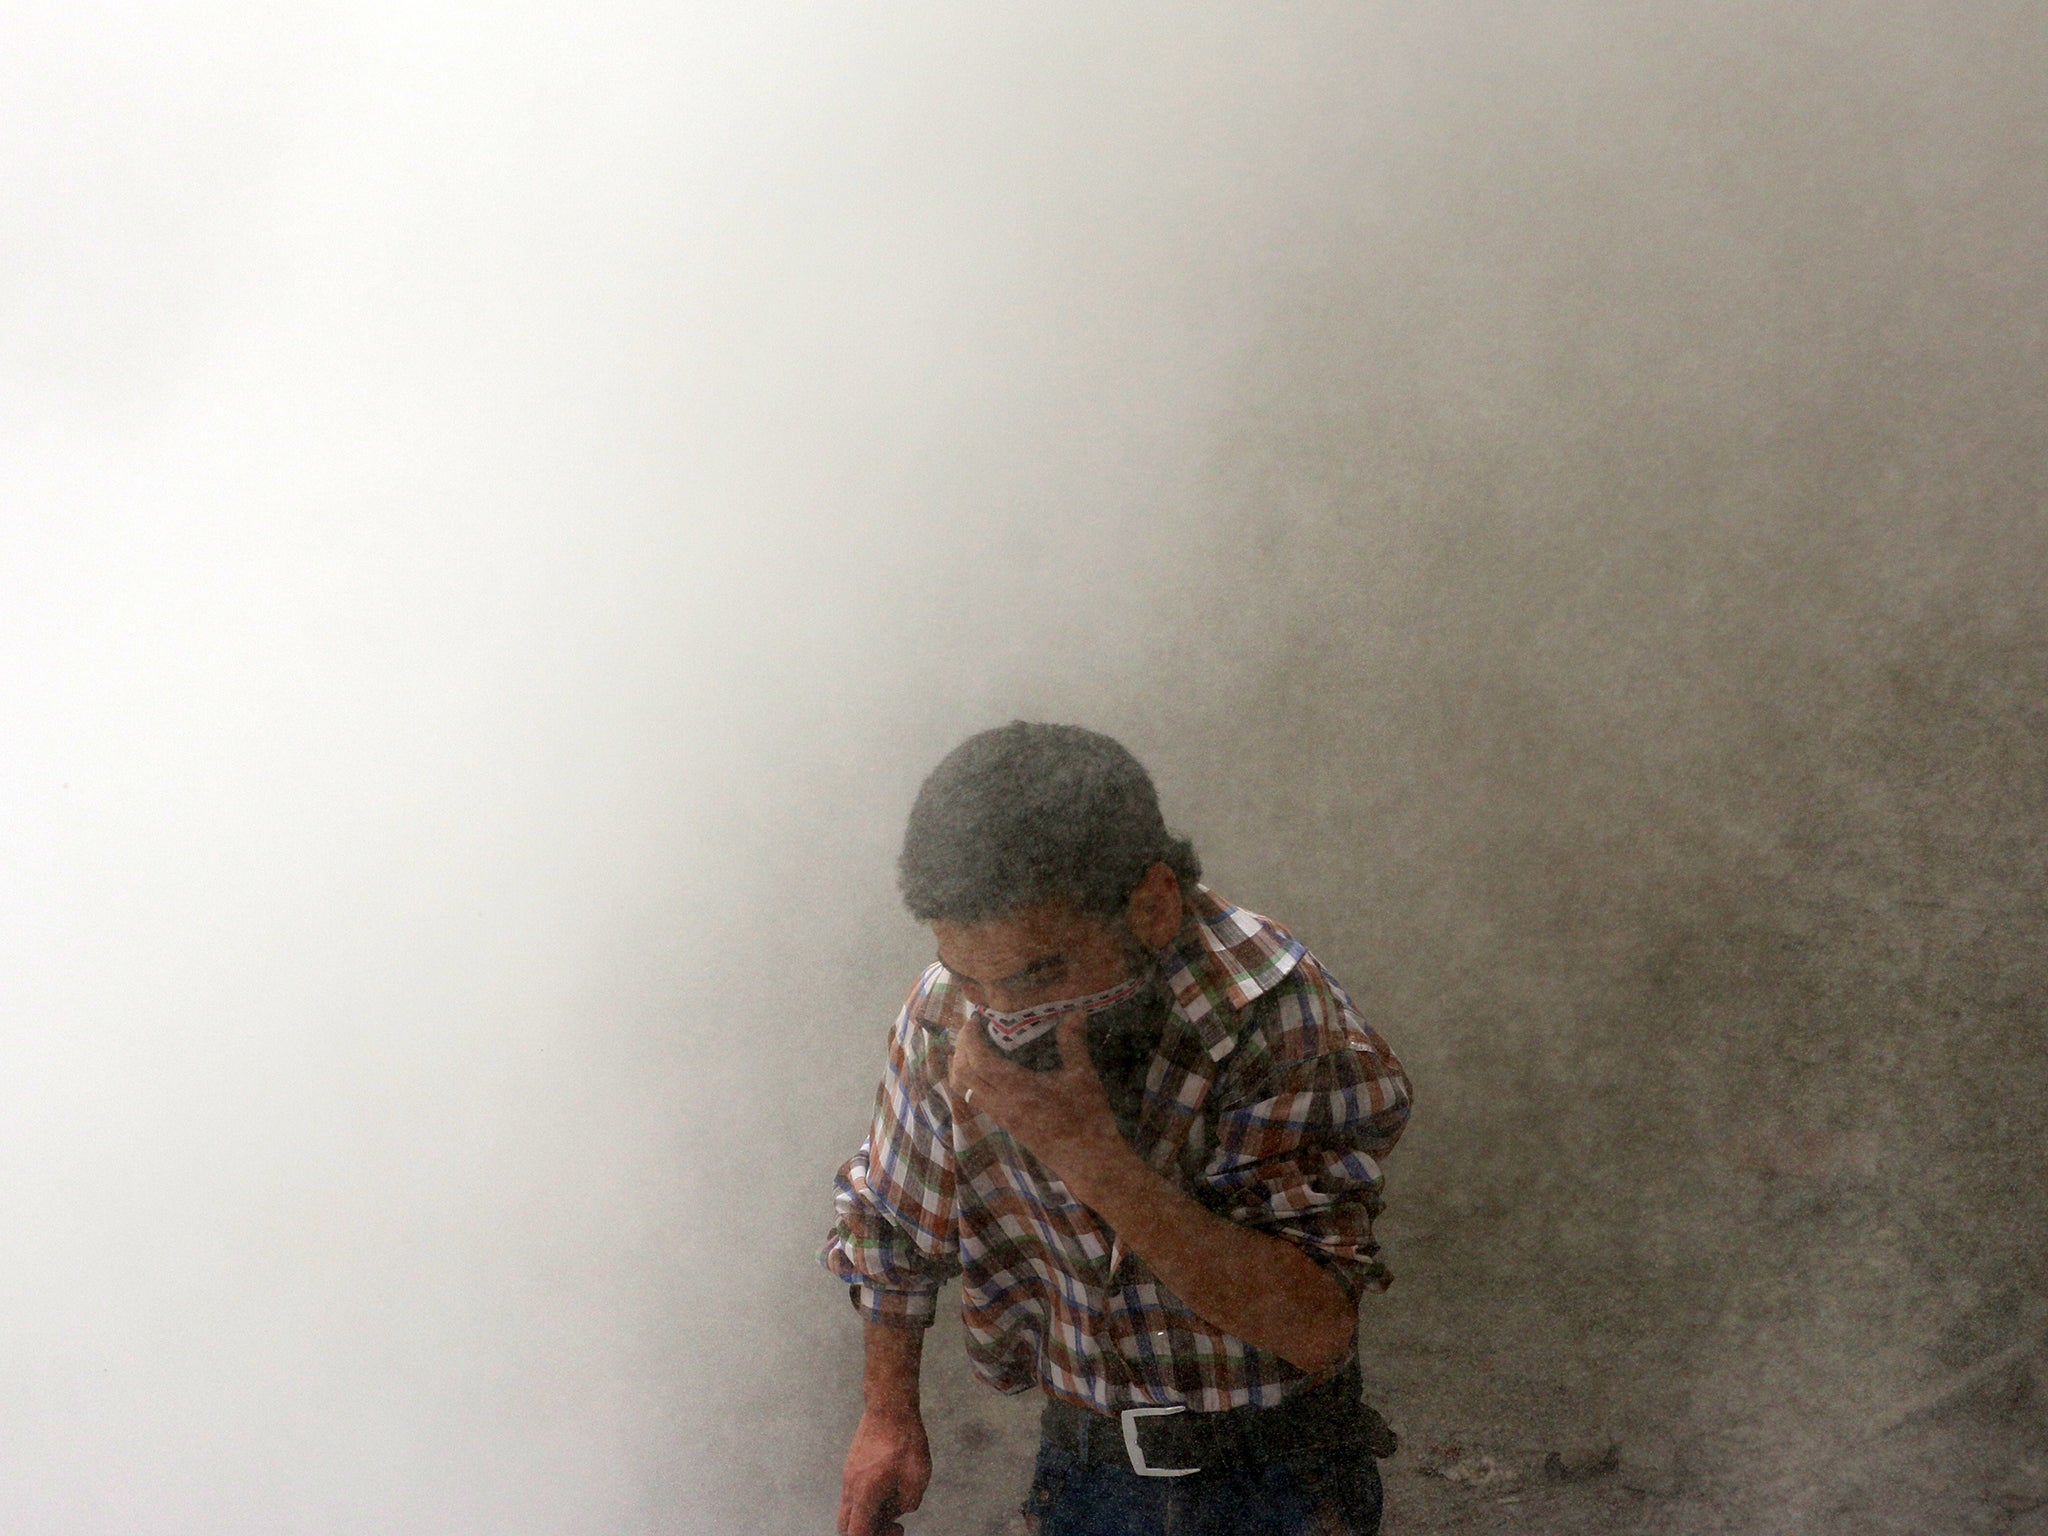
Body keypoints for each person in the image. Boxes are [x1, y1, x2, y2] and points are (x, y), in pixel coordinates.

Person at [821, 722, 1412, 1536]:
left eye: (1042, 975)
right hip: (1086, 1471)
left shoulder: (1277, 1018)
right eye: (972, 979)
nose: (1005, 1019)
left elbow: (1312, 1325)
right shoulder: (946, 1012)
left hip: (1278, 1475)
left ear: (1154, 904)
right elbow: (892, 1227)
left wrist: (1088, 1158)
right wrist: (888, 1419)